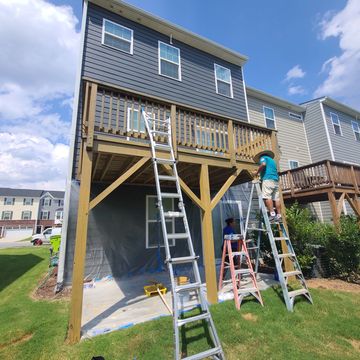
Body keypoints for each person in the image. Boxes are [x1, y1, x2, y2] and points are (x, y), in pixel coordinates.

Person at [252, 150, 282, 222]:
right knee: (276, 199)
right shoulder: (272, 160)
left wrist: (256, 172)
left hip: (268, 179)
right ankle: (279, 216)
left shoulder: (263, 157)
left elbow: (263, 164)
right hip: (275, 180)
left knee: (267, 197)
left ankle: (272, 215)